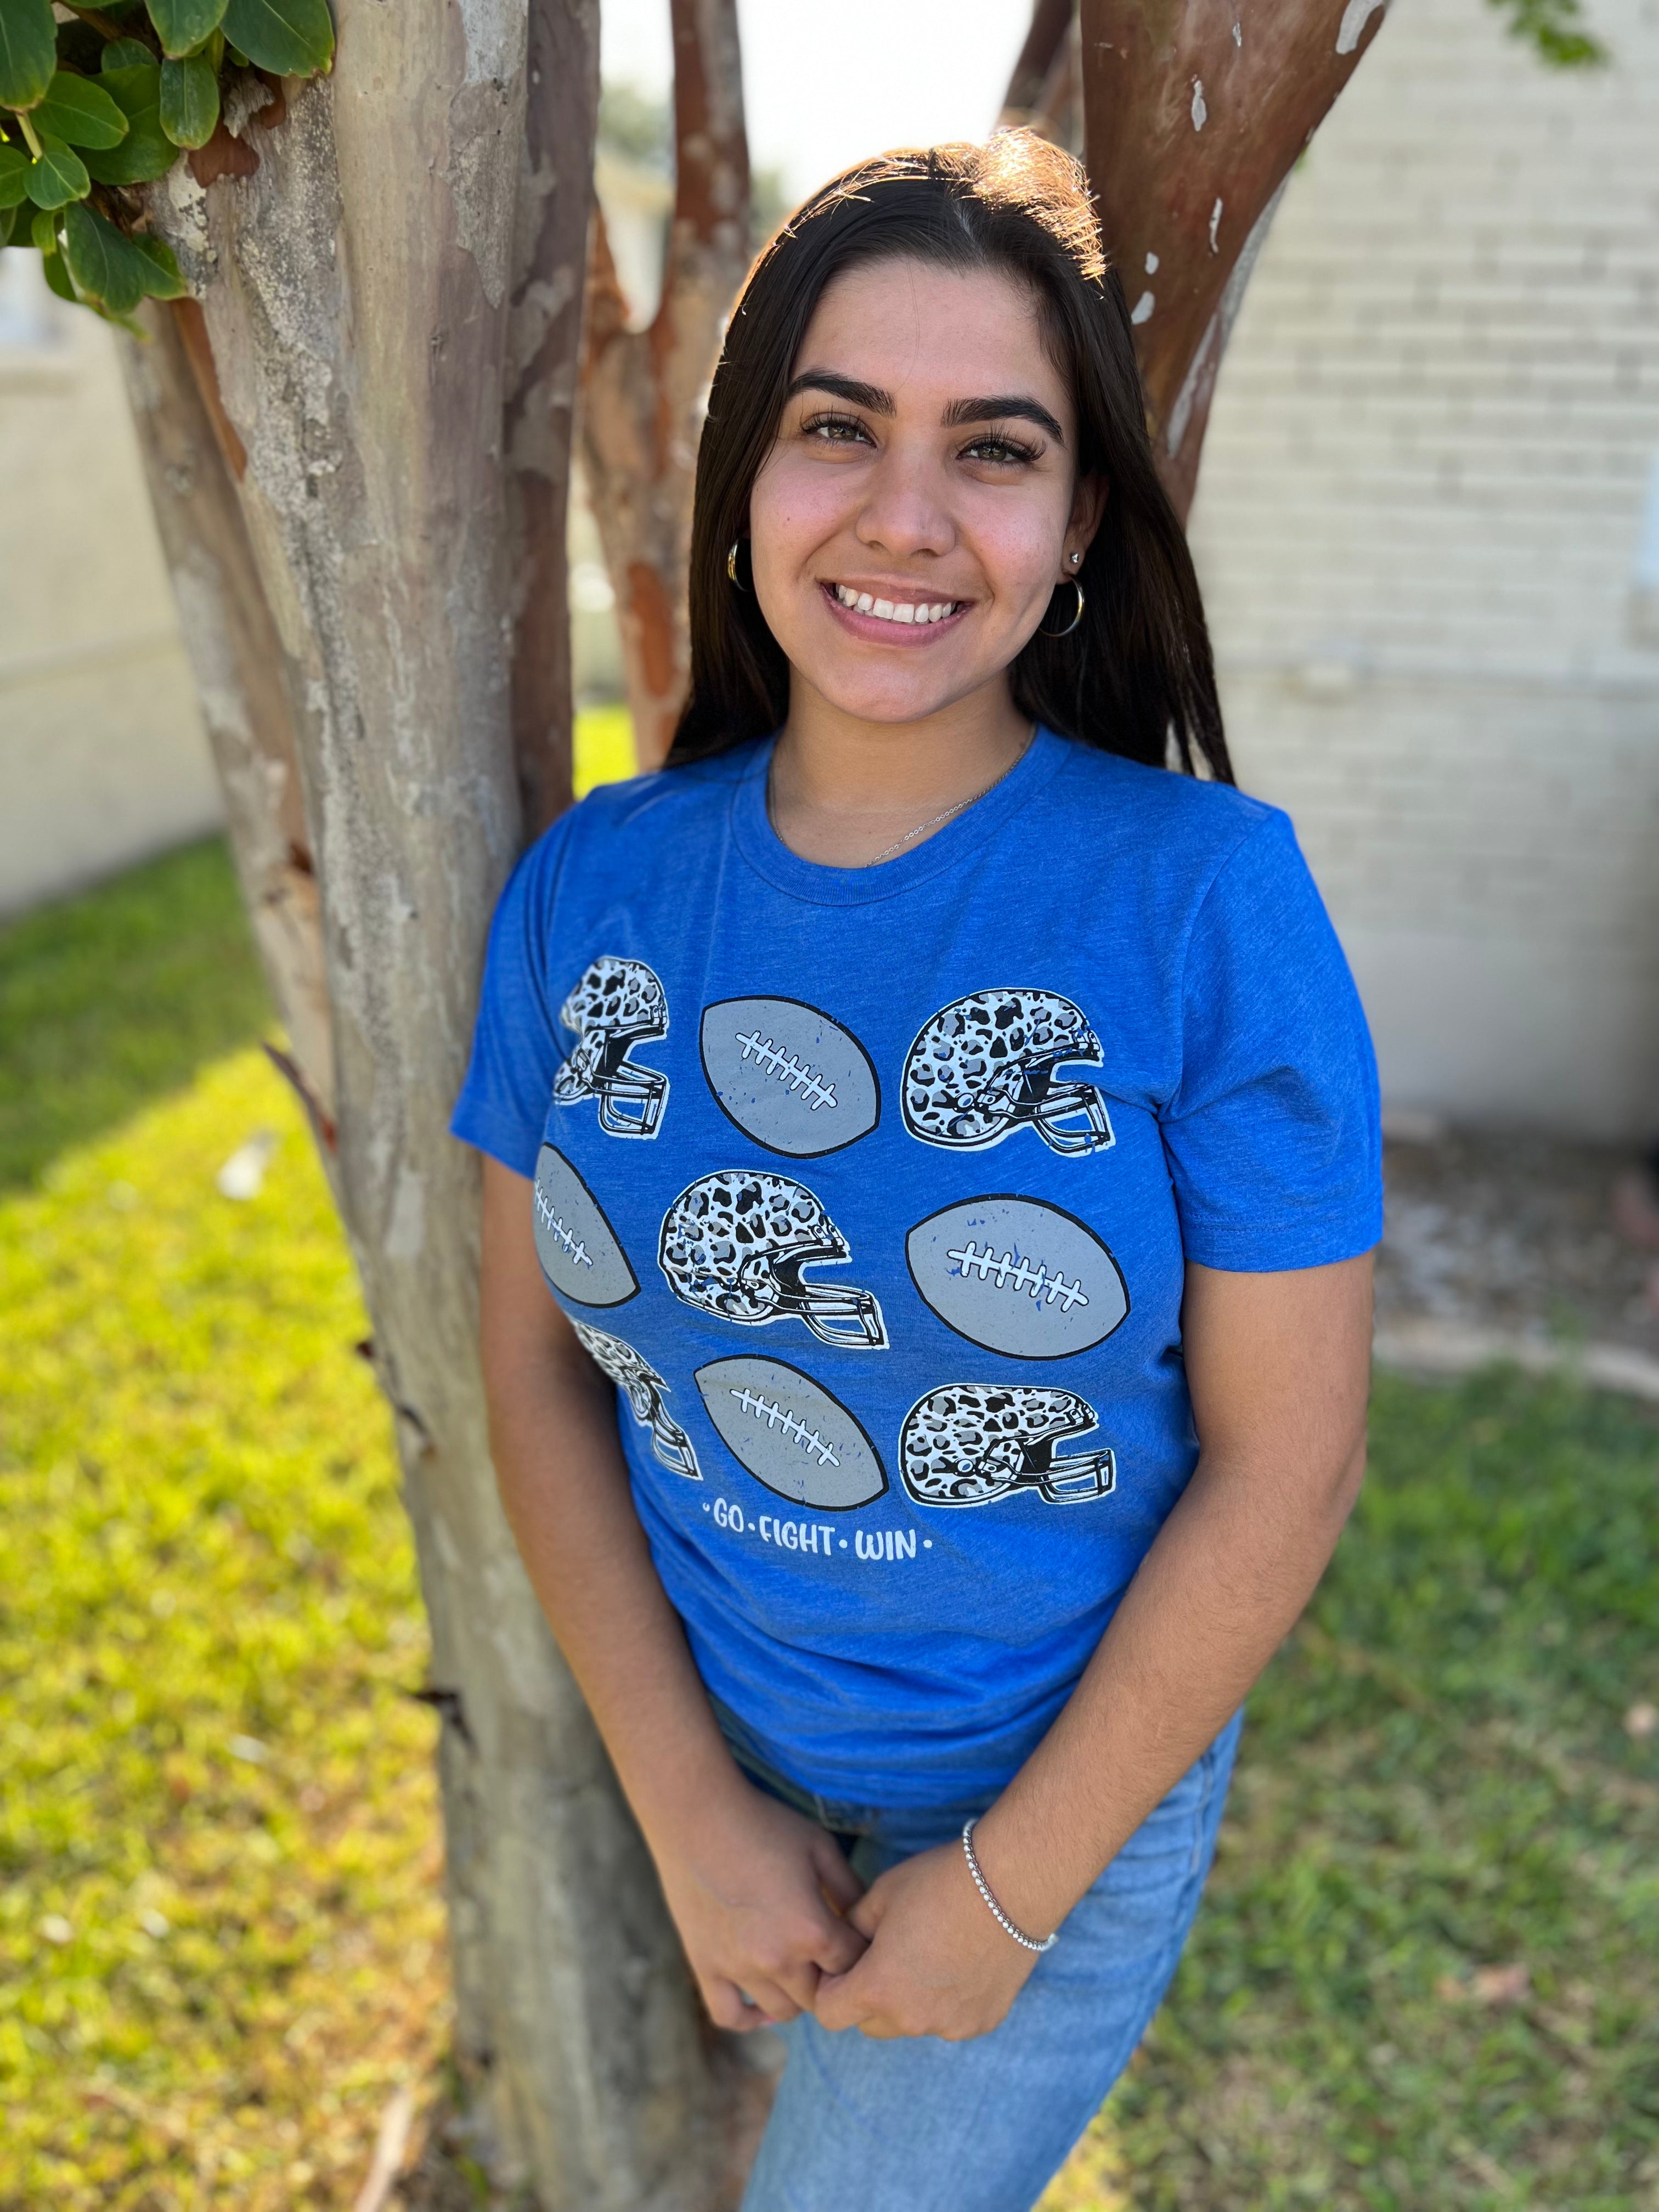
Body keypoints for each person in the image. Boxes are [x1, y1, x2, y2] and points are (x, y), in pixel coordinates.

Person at [454, 135, 1381, 2212]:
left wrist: (1010, 1891)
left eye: (995, 448)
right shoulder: (591, 891)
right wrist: (686, 1803)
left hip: (1057, 1783)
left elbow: (1287, 1466)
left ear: (1077, 528)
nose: (903, 514)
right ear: (747, 480)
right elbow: (533, 1372)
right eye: (836, 428)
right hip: (717, 1736)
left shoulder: (1203, 899)